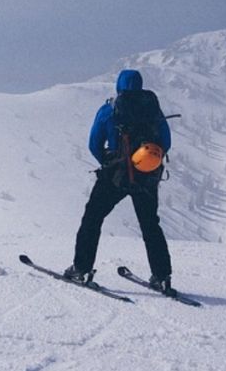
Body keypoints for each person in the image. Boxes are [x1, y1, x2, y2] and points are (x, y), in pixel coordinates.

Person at [64, 69, 174, 291]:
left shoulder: (109, 109)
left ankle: (81, 268)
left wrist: (108, 159)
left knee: (93, 218)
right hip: (147, 177)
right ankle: (162, 276)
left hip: (115, 176)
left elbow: (94, 143)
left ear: (118, 85)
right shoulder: (154, 110)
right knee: (150, 225)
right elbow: (166, 142)